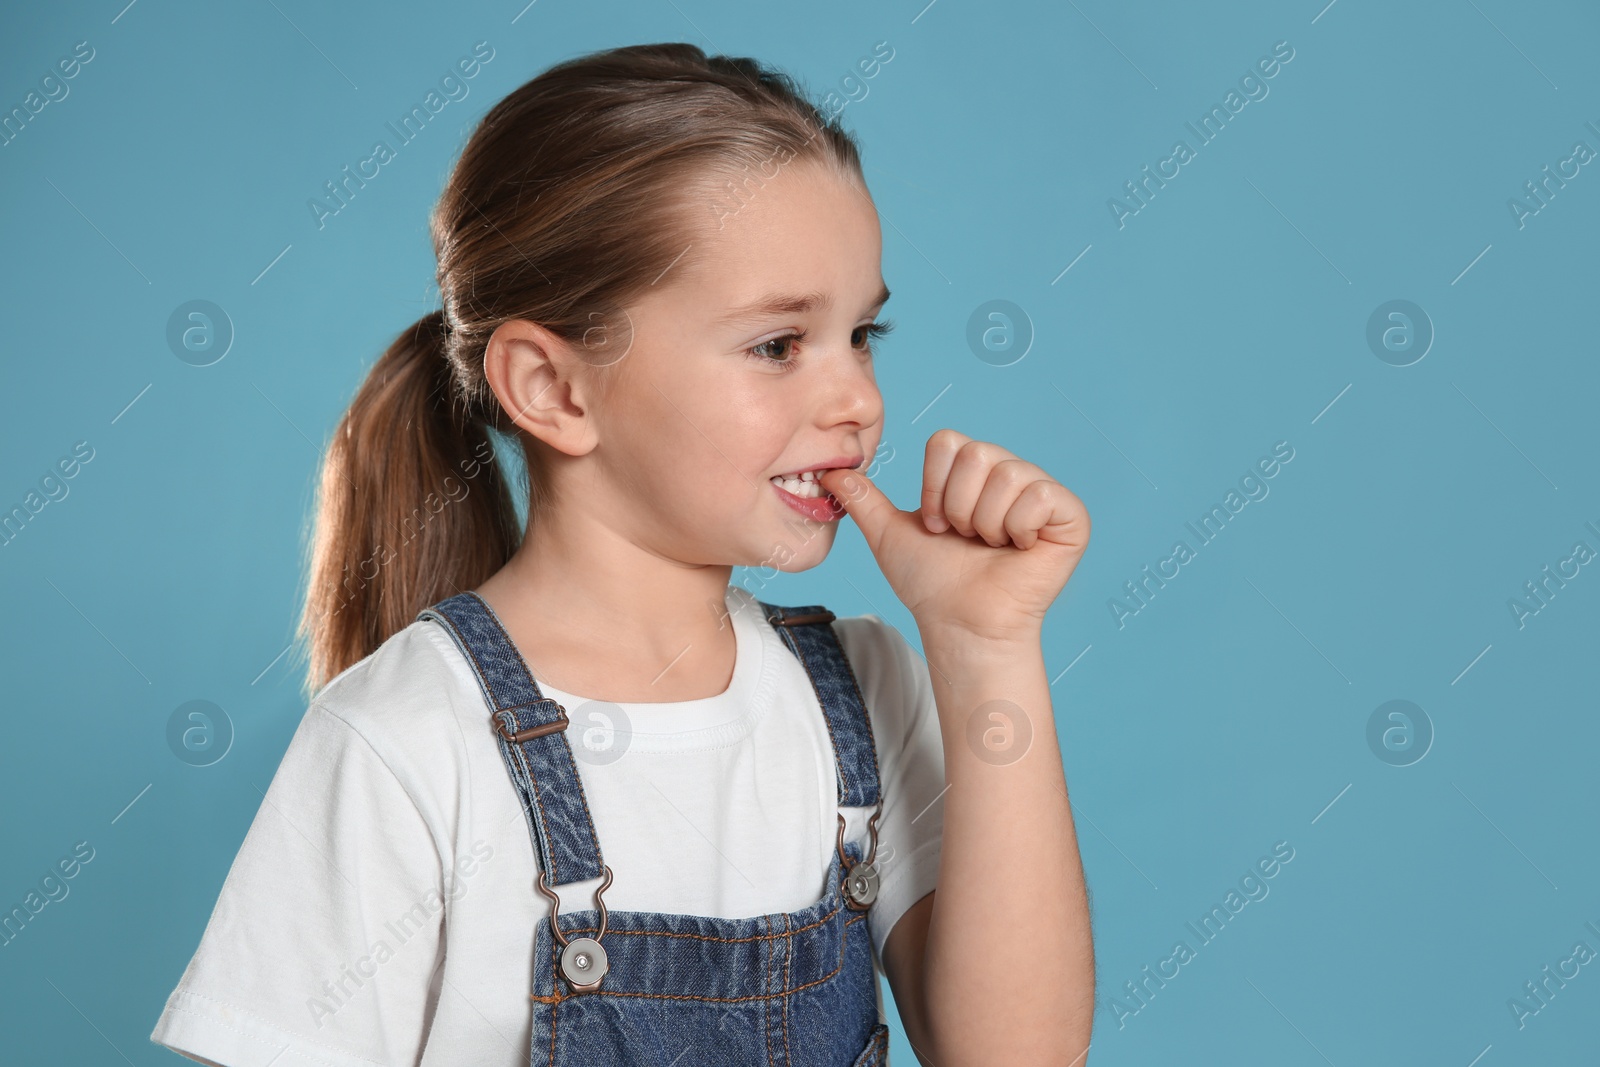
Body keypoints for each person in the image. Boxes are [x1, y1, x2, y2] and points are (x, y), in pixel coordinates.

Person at [149, 41, 1094, 1067]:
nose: (857, 400)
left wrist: (982, 642)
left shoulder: (862, 694)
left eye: (862, 333)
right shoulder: (406, 739)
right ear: (554, 389)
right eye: (777, 343)